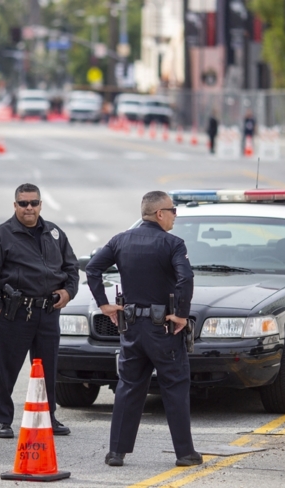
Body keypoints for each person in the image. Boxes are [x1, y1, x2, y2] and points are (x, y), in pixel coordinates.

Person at [86, 191, 201, 468]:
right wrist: (181, 315)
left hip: (132, 328)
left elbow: (92, 269)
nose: (175, 215)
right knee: (174, 386)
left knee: (128, 387)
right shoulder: (173, 243)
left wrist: (104, 305)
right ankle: (185, 454)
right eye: (172, 210)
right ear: (160, 213)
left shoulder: (120, 240)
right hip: (163, 329)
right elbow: (185, 278)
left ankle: (116, 453)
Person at [0, 183, 79, 439]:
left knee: (48, 368)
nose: (29, 208)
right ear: (14, 205)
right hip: (15, 314)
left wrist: (68, 292)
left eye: (33, 203)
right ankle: (2, 421)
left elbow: (71, 268)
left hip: (48, 312)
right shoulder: (1, 235)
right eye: (23, 203)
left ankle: (48, 416)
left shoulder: (54, 233)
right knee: (7, 369)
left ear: (40, 205)